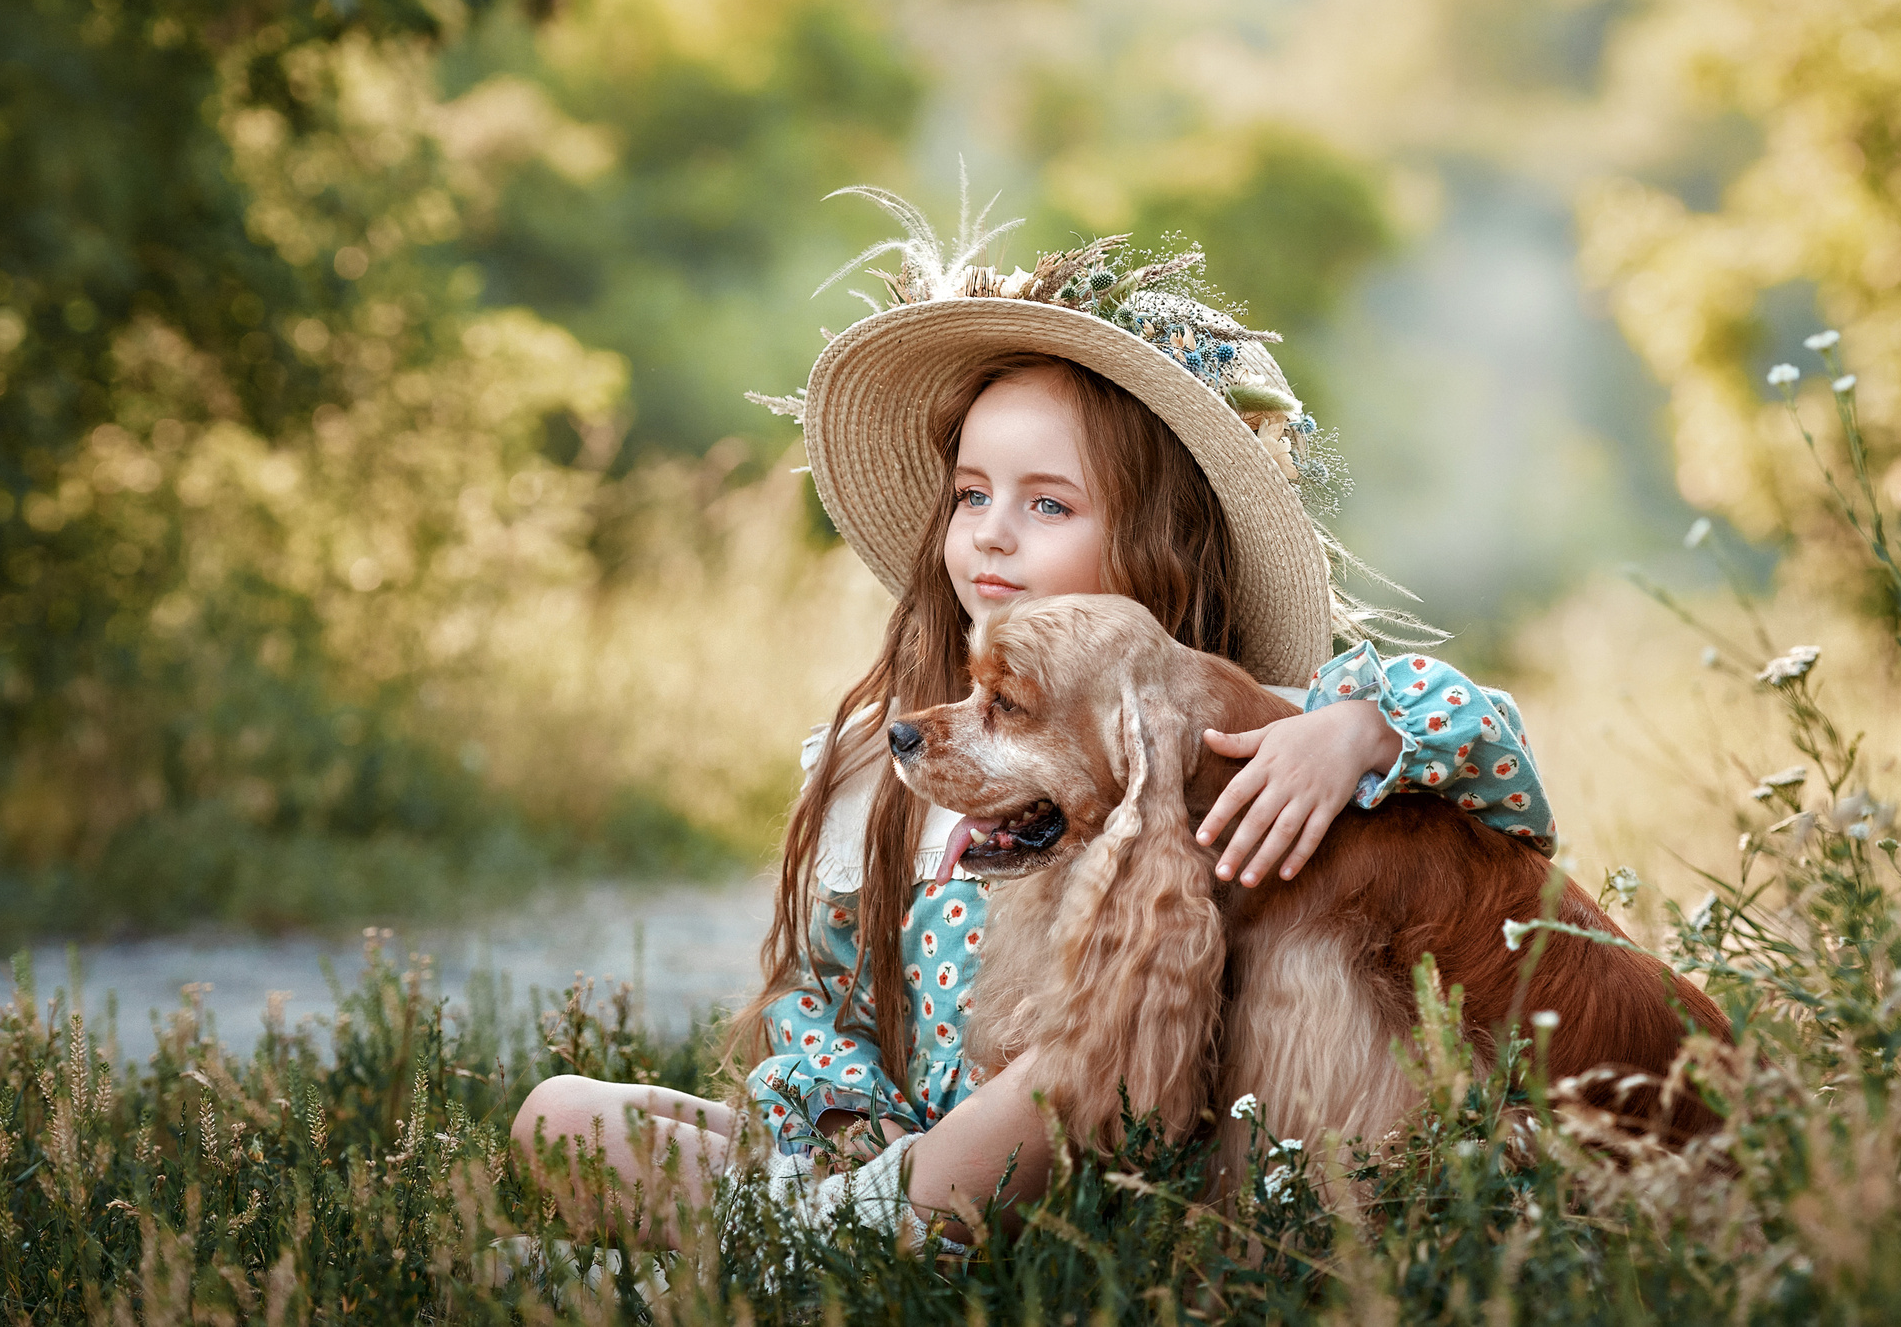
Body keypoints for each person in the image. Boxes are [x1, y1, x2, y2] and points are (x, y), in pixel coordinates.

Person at [511, 198, 1553, 1245]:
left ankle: (818, 1256)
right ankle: (835, 1233)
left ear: (1156, 547)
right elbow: (821, 997)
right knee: (559, 1116)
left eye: (1047, 505)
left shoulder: (1228, 734)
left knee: (1063, 1061)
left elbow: (1498, 763)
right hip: (894, 1150)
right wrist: (844, 1117)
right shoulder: (884, 759)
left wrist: (1359, 735)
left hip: (1083, 1164)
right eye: (970, 496)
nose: (992, 538)